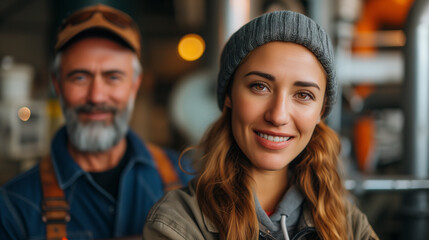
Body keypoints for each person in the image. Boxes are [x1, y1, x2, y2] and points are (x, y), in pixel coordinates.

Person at [143, 10, 379, 240]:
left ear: (321, 111)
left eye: (304, 95)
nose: (278, 116)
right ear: (229, 96)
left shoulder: (347, 222)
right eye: (260, 86)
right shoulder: (179, 221)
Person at [0, 4, 192, 240]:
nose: (96, 96)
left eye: (113, 77)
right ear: (57, 85)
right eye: (79, 77)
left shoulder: (188, 182)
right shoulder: (13, 207)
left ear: (135, 84)